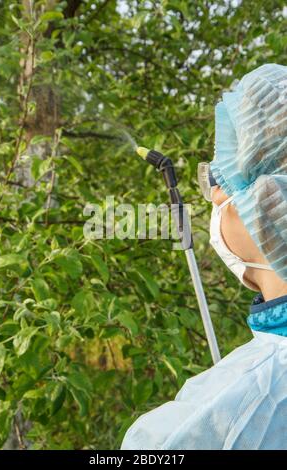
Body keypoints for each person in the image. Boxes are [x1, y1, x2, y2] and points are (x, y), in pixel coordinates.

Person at [121, 63, 287, 450]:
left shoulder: (240, 407)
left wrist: (232, 392)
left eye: (220, 182)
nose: (213, 198)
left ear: (267, 202)